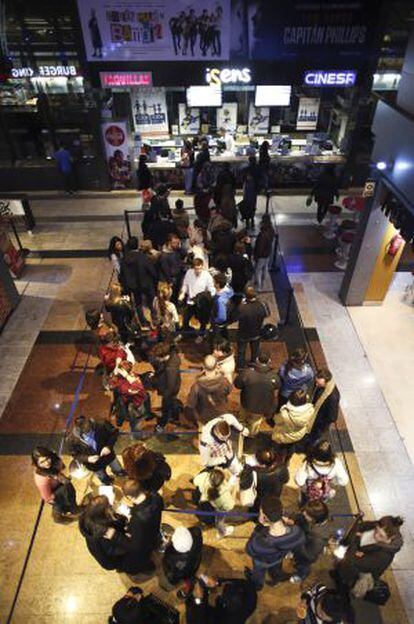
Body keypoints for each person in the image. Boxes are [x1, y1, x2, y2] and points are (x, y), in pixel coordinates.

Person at [245, 495, 305, 589]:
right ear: (282, 511)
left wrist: (259, 527)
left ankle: (258, 585)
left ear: (264, 516)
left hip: (262, 562)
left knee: (258, 574)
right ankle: (276, 576)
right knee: (276, 568)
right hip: (279, 558)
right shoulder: (297, 532)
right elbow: (298, 544)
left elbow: (249, 550)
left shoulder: (260, 542)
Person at [334, 515, 404, 591]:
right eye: (376, 530)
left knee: (344, 585)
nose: (376, 536)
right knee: (341, 571)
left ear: (390, 539)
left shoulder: (384, 556)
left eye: (381, 536)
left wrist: (356, 539)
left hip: (355, 574)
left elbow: (352, 560)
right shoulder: (379, 525)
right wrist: (355, 551)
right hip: (349, 564)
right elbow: (361, 526)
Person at [79, 495, 138, 573]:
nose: (111, 506)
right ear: (102, 513)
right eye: (109, 506)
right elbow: (115, 550)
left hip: (105, 553)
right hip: (111, 560)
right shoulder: (103, 532)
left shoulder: (88, 518)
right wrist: (126, 542)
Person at [67, 415, 126, 485]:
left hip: (109, 456)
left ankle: (119, 473)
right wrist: (87, 458)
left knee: (118, 469)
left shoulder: (101, 423)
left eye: (87, 426)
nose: (87, 429)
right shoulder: (72, 439)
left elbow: (114, 433)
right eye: (84, 429)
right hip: (94, 465)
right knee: (103, 478)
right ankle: (107, 481)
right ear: (78, 428)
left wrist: (108, 446)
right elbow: (75, 455)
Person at [121, 479, 164, 573]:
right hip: (155, 529)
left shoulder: (137, 518)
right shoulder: (155, 496)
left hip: (145, 541)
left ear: (129, 497)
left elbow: (136, 543)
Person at [235, 353, 280, 436]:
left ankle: (239, 433)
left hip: (246, 403)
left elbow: (237, 385)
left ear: (257, 360)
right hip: (261, 408)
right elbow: (276, 393)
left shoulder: (247, 373)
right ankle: (251, 436)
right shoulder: (274, 377)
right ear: (269, 361)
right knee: (254, 423)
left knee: (241, 419)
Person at [32, 446, 80, 521]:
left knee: (69, 492)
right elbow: (48, 497)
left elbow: (62, 467)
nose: (47, 463)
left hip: (59, 484)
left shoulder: (55, 461)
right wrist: (60, 500)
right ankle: (59, 516)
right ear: (37, 464)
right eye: (42, 462)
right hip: (53, 494)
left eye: (47, 458)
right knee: (62, 504)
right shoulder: (42, 479)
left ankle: (73, 508)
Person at [294, 440, 349, 505]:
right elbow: (344, 481)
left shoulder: (308, 464)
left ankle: (303, 507)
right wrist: (333, 482)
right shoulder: (336, 463)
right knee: (322, 501)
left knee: (305, 501)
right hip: (324, 491)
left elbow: (299, 481)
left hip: (308, 491)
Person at [185, 576, 257, 624]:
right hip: (214, 613)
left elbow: (200, 618)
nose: (220, 593)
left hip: (205, 619)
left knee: (193, 612)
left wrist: (199, 599)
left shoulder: (229, 620)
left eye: (222, 594)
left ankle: (190, 596)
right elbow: (248, 585)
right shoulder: (247, 607)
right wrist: (219, 582)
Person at [288, 500, 330, 582]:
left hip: (306, 551)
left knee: (303, 566)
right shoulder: (307, 516)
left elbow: (308, 557)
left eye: (307, 514)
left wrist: (294, 550)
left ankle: (301, 576)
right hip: (302, 540)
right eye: (305, 511)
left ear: (314, 519)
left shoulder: (319, 538)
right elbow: (300, 517)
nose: (304, 513)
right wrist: (292, 520)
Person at [193, 468, 238, 538]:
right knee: (219, 522)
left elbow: (195, 481)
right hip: (216, 509)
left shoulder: (204, 476)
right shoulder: (224, 495)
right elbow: (230, 506)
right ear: (222, 482)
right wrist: (234, 488)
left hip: (203, 502)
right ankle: (221, 533)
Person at [187, 355, 232, 425]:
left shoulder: (197, 386)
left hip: (204, 418)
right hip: (221, 415)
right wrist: (222, 373)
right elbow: (229, 390)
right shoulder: (224, 381)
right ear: (216, 366)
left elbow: (191, 404)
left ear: (204, 367)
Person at [147, 341, 182, 432]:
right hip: (171, 385)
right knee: (172, 402)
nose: (156, 359)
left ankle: (164, 423)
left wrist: (165, 398)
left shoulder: (171, 368)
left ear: (164, 356)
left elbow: (170, 387)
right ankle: (175, 417)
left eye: (158, 358)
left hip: (169, 390)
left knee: (167, 406)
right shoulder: (172, 355)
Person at [119, 237, 152, 329]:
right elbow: (149, 269)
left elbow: (122, 274)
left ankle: (136, 321)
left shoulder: (124, 259)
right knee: (144, 302)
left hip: (129, 285)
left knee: (134, 304)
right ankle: (147, 321)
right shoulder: (142, 256)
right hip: (142, 284)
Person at [109, 361, 151, 433]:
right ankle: (133, 432)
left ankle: (123, 424)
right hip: (130, 404)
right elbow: (139, 388)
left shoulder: (126, 380)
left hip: (130, 404)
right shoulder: (133, 378)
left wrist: (124, 376)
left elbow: (111, 385)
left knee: (131, 419)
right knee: (134, 421)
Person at [179, 258, 215, 341]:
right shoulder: (189, 273)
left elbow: (211, 290)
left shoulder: (207, 275)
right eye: (196, 269)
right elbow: (185, 285)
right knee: (186, 319)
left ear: (202, 266)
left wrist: (205, 297)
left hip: (201, 303)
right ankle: (184, 334)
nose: (198, 271)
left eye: (199, 268)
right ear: (193, 267)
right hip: (191, 301)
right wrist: (182, 293)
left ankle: (201, 336)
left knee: (203, 321)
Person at [236, 287, 269, 369]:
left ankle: (240, 367)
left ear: (245, 296)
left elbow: (236, 317)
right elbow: (267, 314)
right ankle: (254, 364)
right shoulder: (262, 304)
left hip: (243, 333)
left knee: (241, 351)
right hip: (257, 332)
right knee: (255, 350)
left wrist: (242, 304)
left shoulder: (242, 307)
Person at [308, 368, 341, 445]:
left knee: (314, 436)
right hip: (315, 415)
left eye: (319, 384)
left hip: (319, 423)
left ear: (327, 382)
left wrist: (320, 422)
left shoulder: (333, 397)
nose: (316, 385)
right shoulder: (321, 385)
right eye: (316, 382)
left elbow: (332, 417)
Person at [159, 233, 186, 302]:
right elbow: (165, 270)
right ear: (169, 243)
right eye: (174, 243)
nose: (176, 244)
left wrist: (180, 247)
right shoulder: (164, 255)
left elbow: (184, 254)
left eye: (177, 243)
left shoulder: (177, 250)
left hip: (178, 276)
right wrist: (170, 281)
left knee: (177, 294)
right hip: (171, 278)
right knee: (172, 296)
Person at [210, 273, 234, 343]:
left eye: (214, 282)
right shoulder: (229, 290)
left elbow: (222, 317)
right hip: (226, 321)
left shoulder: (220, 300)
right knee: (225, 336)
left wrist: (215, 321)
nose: (213, 283)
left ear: (217, 284)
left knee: (216, 341)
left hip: (218, 324)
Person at [253, 215, 275, 292]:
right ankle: (262, 282)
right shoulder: (271, 230)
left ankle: (258, 287)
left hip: (261, 255)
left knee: (257, 270)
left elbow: (260, 247)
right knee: (264, 268)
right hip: (267, 253)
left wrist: (256, 256)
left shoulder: (263, 234)